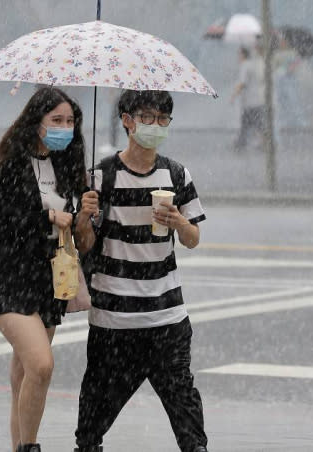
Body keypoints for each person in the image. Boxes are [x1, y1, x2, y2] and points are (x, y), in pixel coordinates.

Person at [73, 90, 209, 452]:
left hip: (168, 318)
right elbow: (84, 245)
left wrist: (179, 221)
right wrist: (85, 216)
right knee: (91, 427)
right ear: (127, 120)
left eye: (163, 119)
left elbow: (193, 238)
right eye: (147, 117)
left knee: (189, 422)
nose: (155, 126)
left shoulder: (177, 174)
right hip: (113, 321)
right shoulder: (100, 176)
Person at [0, 87, 87, 452]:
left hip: (48, 278)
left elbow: (76, 227)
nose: (64, 128)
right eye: (56, 120)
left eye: (70, 121)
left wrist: (83, 210)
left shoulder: (66, 165)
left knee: (24, 374)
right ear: (35, 122)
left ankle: (18, 446)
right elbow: (3, 223)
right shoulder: (9, 162)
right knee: (41, 366)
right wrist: (50, 216)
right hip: (9, 278)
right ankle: (30, 448)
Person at [230, 46, 266, 152]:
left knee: (250, 123)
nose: (238, 57)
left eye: (239, 54)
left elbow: (242, 83)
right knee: (255, 124)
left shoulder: (245, 66)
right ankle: (245, 142)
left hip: (250, 101)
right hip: (256, 100)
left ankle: (242, 143)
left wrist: (233, 95)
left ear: (243, 55)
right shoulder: (252, 65)